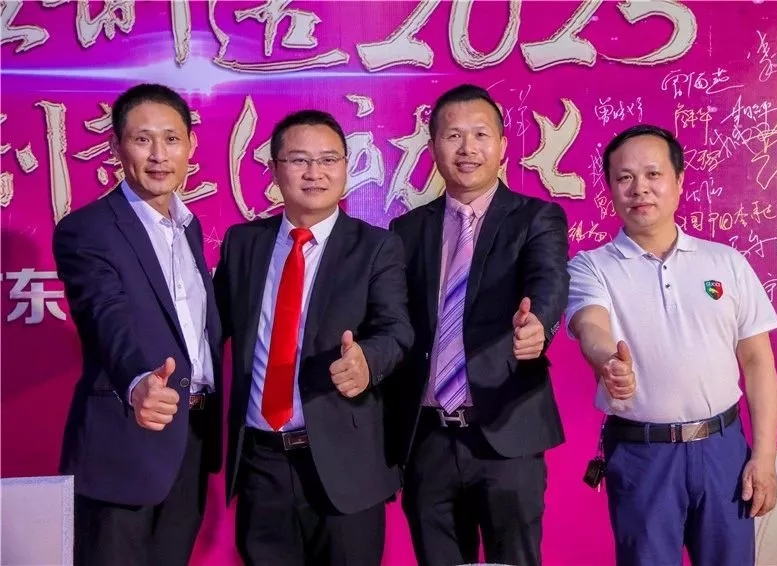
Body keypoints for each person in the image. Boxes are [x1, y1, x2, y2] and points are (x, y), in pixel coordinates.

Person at [566, 124, 777, 566]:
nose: (639, 189)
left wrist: (763, 457)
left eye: (653, 174)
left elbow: (758, 362)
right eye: (625, 178)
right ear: (610, 188)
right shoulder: (591, 266)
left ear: (679, 181)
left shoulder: (726, 262)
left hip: (723, 450)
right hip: (642, 455)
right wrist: (608, 362)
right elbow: (591, 325)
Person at [213, 109, 414, 566]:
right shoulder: (243, 243)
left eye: (328, 160)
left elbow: (397, 330)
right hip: (262, 463)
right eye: (299, 160)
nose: (314, 173)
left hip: (345, 463)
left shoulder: (376, 246)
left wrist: (367, 362)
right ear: (274, 169)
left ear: (345, 166)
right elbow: (212, 326)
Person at [387, 84, 570, 566]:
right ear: (433, 148)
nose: (467, 148)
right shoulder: (407, 230)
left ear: (503, 145)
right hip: (428, 438)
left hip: (506, 431)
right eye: (453, 136)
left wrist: (539, 327)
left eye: (480, 135)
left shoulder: (536, 217)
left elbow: (549, 283)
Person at [53, 83, 222, 566]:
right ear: (116, 146)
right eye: (142, 139)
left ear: (190, 146)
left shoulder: (188, 228)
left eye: (171, 139)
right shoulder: (88, 229)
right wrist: (137, 381)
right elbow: (107, 316)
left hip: (189, 441)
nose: (158, 155)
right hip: (122, 445)